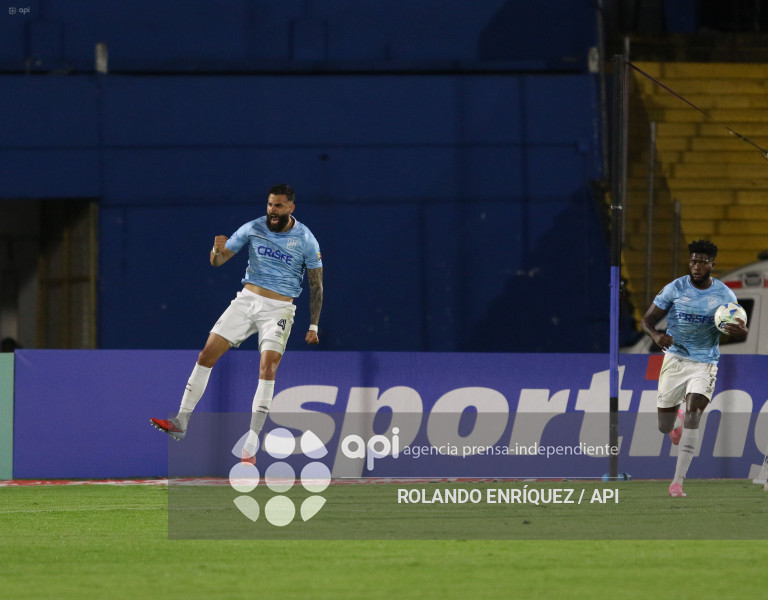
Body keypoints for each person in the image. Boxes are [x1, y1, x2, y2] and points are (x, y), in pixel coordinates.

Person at [151, 184, 323, 463]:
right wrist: (216, 250)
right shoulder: (254, 227)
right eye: (270, 205)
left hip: (279, 308)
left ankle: (251, 444)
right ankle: (181, 422)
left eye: (278, 206)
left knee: (268, 366)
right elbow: (218, 262)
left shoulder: (305, 238)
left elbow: (317, 285)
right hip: (246, 300)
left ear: (291, 208)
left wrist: (313, 325)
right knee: (206, 354)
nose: (272, 211)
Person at [641, 239, 747, 497]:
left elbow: (741, 326)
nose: (697, 265)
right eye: (693, 260)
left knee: (694, 413)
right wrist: (655, 336)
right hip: (675, 359)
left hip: (705, 362)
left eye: (702, 261)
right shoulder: (675, 288)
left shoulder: (724, 295)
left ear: (712, 264)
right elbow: (647, 319)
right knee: (664, 427)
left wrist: (740, 329)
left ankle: (677, 483)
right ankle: (673, 423)